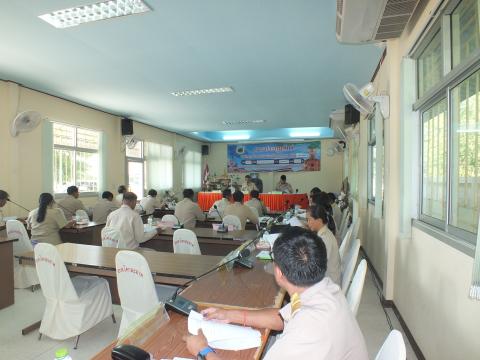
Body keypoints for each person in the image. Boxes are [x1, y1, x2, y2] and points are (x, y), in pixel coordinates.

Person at [184, 227, 368, 360]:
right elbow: (282, 318)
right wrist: (229, 314)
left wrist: (203, 350)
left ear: (279, 272)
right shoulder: (324, 287)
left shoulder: (307, 330)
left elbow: (300, 326)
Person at [306, 204, 341, 285]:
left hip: (329, 284)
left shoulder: (324, 239)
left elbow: (316, 267)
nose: (307, 223)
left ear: (319, 220)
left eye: (309, 220)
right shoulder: (325, 233)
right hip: (328, 279)